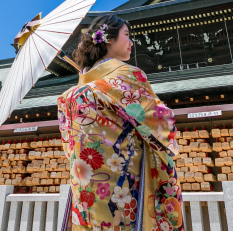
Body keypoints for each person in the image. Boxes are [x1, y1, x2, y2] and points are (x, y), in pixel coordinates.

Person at [57, 15, 184, 231]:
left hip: (87, 194)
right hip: (124, 189)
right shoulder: (128, 76)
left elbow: (70, 149)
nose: (131, 42)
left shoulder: (69, 97)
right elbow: (160, 122)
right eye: (127, 35)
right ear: (108, 39)